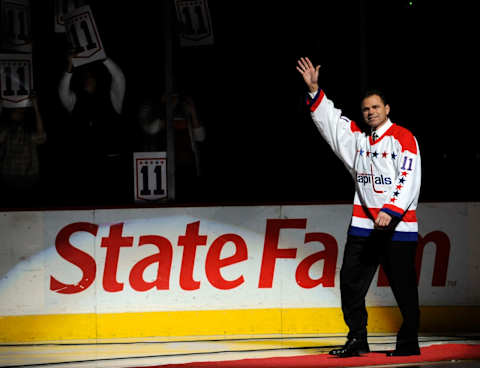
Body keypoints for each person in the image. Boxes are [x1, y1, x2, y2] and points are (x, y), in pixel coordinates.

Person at [296, 57, 422, 357]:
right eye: (366, 108)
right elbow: (333, 124)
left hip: (397, 226)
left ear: (387, 109)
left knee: (404, 288)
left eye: (376, 107)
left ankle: (408, 343)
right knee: (350, 282)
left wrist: (390, 210)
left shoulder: (403, 138)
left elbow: (408, 178)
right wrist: (314, 90)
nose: (370, 112)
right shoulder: (358, 139)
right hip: (364, 226)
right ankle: (357, 338)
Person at [58, 53, 127, 205]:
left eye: (91, 76)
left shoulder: (113, 98)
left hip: (109, 166)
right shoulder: (74, 101)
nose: (89, 79)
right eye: (85, 77)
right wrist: (69, 68)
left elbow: (119, 78)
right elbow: (63, 91)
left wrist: (103, 58)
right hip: (83, 166)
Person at [136, 92, 206, 200]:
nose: (174, 98)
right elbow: (151, 129)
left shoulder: (185, 107)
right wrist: (167, 109)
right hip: (165, 168)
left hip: (188, 166)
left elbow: (200, 137)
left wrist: (193, 111)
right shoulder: (154, 106)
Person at [0, 94, 47, 206]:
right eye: (16, 111)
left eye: (21, 111)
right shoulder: (6, 132)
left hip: (28, 178)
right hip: (9, 177)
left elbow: (41, 135)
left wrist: (35, 107)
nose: (18, 113)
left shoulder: (28, 132)